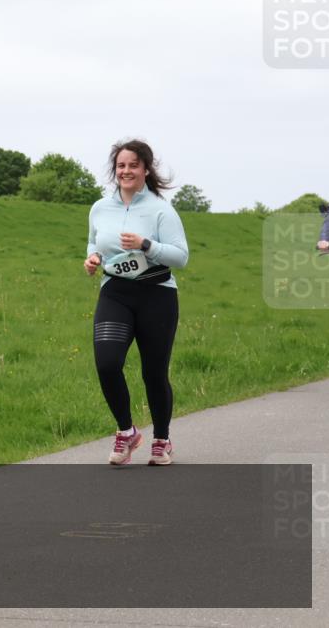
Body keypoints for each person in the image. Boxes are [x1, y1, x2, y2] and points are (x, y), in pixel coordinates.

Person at [83, 140, 189, 466]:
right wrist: (93, 258)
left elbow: (181, 257)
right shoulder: (100, 208)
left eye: (133, 165)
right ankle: (126, 431)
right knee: (107, 363)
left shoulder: (161, 210)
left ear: (145, 169)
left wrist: (146, 245)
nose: (126, 171)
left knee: (154, 372)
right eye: (121, 165)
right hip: (115, 293)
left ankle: (162, 439)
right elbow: (94, 242)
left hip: (157, 295)